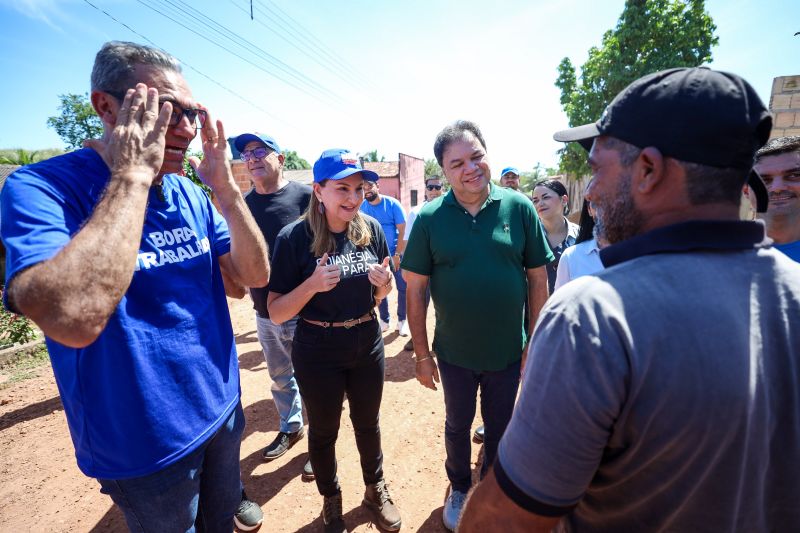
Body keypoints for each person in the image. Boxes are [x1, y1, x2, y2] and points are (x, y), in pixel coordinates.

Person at [459, 67, 800, 532]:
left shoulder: (593, 316)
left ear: (648, 170)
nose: (591, 192)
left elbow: (504, 522)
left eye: (599, 169)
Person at [0, 41, 270, 532]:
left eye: (193, 113)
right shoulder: (41, 188)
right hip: (144, 445)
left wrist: (227, 192)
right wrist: (131, 176)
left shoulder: (190, 192)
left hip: (222, 409)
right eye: (166, 110)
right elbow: (74, 319)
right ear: (106, 107)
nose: (187, 128)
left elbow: (253, 278)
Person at [401, 120, 552, 532]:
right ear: (444, 171)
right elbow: (416, 290)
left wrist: (534, 342)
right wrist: (422, 355)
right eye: (457, 163)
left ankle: (491, 489)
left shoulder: (518, 208)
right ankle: (460, 486)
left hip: (508, 351)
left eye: (476, 157)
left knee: (501, 426)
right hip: (454, 353)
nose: (470, 168)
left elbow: (537, 277)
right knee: (458, 423)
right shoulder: (429, 218)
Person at [267, 149, 402, 533]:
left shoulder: (370, 229)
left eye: (359, 188)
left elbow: (381, 295)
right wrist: (311, 285)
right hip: (317, 349)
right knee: (324, 430)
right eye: (342, 188)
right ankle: (331, 496)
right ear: (318, 191)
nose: (353, 197)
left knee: (368, 422)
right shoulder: (294, 238)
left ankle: (375, 489)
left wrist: (384, 286)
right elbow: (275, 312)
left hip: (366, 341)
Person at [233, 132, 314, 481]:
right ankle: (291, 426)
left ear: (280, 159)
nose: (252, 158)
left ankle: (320, 443)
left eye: (260, 151)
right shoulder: (244, 206)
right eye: (246, 154)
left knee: (313, 380)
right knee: (281, 377)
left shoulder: (306, 197)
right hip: (264, 313)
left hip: (306, 311)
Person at [399, 175, 444, 352]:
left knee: (444, 306)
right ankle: (415, 339)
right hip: (422, 267)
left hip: (443, 267)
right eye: (430, 187)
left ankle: (440, 340)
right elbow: (408, 240)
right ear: (425, 190)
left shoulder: (452, 211)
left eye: (437, 187)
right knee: (419, 303)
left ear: (442, 188)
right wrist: (405, 264)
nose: (434, 191)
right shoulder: (416, 212)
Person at [360, 179, 409, 335]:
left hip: (396, 254)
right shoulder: (362, 207)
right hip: (375, 256)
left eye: (369, 186)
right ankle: (384, 320)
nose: (367, 190)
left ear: (378, 186)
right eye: (363, 187)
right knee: (378, 286)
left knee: (403, 288)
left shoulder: (392, 204)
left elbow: (403, 231)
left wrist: (397, 255)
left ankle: (402, 321)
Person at [753, 135, 800, 262]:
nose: (777, 188)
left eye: (794, 175)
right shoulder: (719, 253)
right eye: (764, 179)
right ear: (746, 190)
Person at [531, 179, 580, 293]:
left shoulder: (580, 235)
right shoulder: (528, 236)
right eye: (535, 200)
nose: (540, 204)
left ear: (564, 200)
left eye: (546, 197)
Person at [553, 198, 607, 291]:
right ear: (589, 209)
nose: (605, 210)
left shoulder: (634, 252)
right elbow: (562, 298)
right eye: (597, 202)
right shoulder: (571, 257)